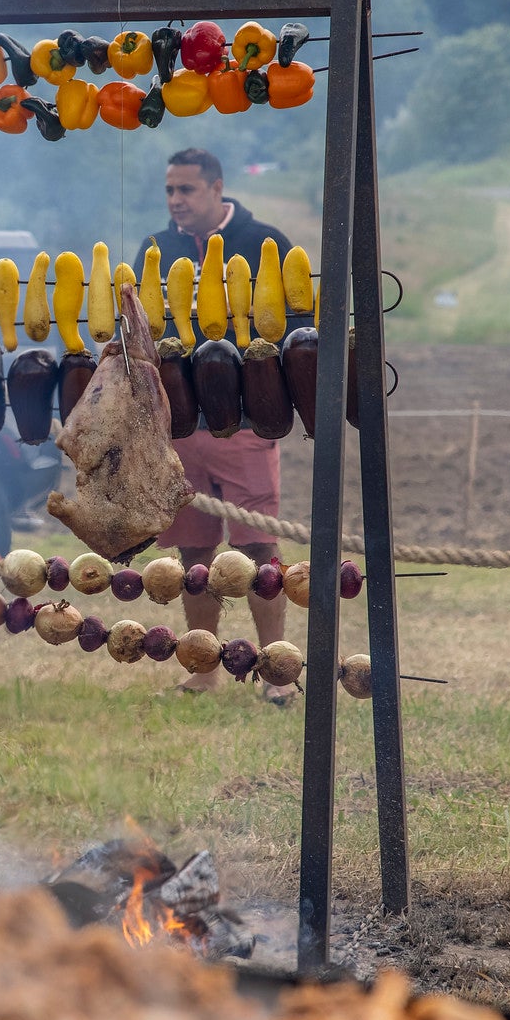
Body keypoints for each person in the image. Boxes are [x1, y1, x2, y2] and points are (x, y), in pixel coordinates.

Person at [134, 148, 299, 702]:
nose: (176, 201)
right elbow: (140, 329)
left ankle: (277, 672)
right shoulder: (155, 250)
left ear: (217, 189)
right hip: (181, 426)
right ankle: (203, 665)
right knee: (193, 555)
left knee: (257, 551)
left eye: (186, 190)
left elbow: (300, 329)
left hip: (248, 425)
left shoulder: (267, 243)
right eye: (169, 191)